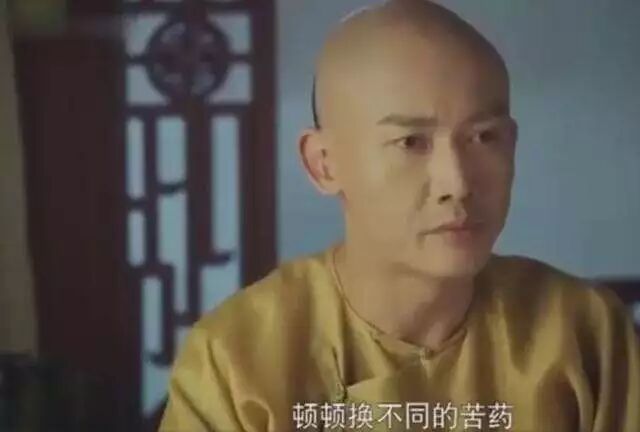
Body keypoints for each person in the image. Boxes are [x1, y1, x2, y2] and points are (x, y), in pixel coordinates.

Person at [159, 0, 640, 430]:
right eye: (411, 142)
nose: (457, 184)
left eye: (484, 137)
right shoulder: (236, 359)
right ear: (324, 164)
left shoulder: (583, 331)